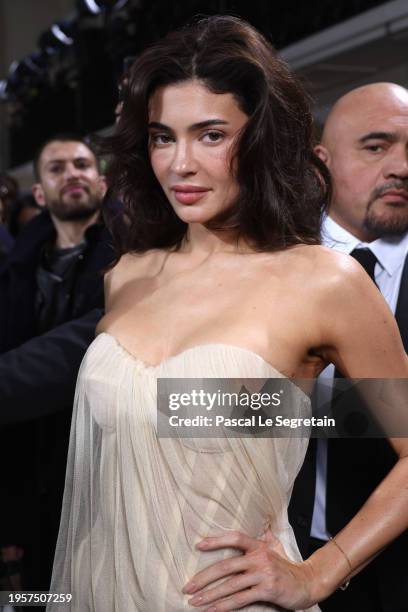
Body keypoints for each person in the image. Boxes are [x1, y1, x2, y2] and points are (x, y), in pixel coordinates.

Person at [49, 17, 408, 612]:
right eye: (163, 137)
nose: (179, 164)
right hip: (100, 590)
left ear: (262, 138)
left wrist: (319, 573)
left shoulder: (323, 281)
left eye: (210, 135)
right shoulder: (128, 275)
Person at [289, 83, 408, 612]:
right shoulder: (266, 266)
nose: (402, 166)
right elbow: (206, 412)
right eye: (376, 146)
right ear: (322, 162)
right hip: (286, 556)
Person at [0, 135, 112, 593]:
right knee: (35, 595)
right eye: (58, 167)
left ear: (102, 184)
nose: (73, 174)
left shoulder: (132, 266)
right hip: (29, 471)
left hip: (99, 474)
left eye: (83, 164)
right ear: (40, 193)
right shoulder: (15, 273)